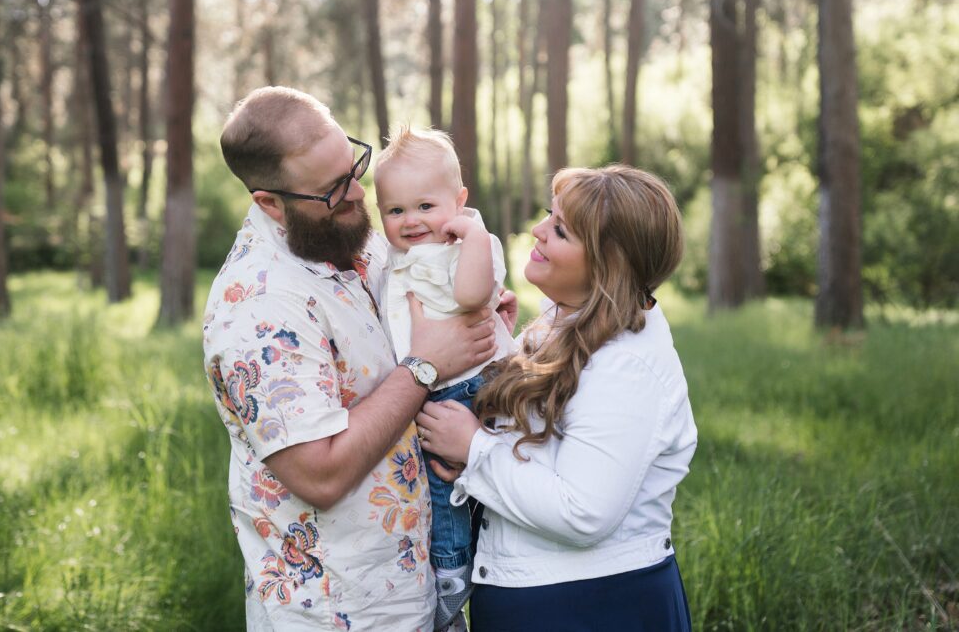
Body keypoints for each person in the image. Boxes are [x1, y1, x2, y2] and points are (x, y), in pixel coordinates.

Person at [203, 86, 507, 631]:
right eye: (330, 189)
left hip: (418, 584)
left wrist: (476, 332)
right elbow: (317, 474)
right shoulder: (257, 306)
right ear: (269, 202)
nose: (355, 194)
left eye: (353, 168)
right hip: (337, 608)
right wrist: (424, 366)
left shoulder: (351, 234)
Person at [416, 165, 697, 631]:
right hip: (545, 598)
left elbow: (583, 511)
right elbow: (545, 440)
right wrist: (503, 351)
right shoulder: (568, 323)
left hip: (595, 606)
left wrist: (473, 450)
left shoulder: (626, 365)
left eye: (561, 230)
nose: (538, 230)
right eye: (550, 215)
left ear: (608, 263)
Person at [373, 126, 517, 630]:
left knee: (449, 483)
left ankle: (454, 575)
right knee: (447, 487)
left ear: (458, 201)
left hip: (470, 385)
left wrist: (474, 236)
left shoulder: (470, 243)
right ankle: (458, 567)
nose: (411, 221)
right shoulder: (398, 257)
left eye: (425, 207)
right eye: (395, 211)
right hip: (439, 383)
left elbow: (476, 295)